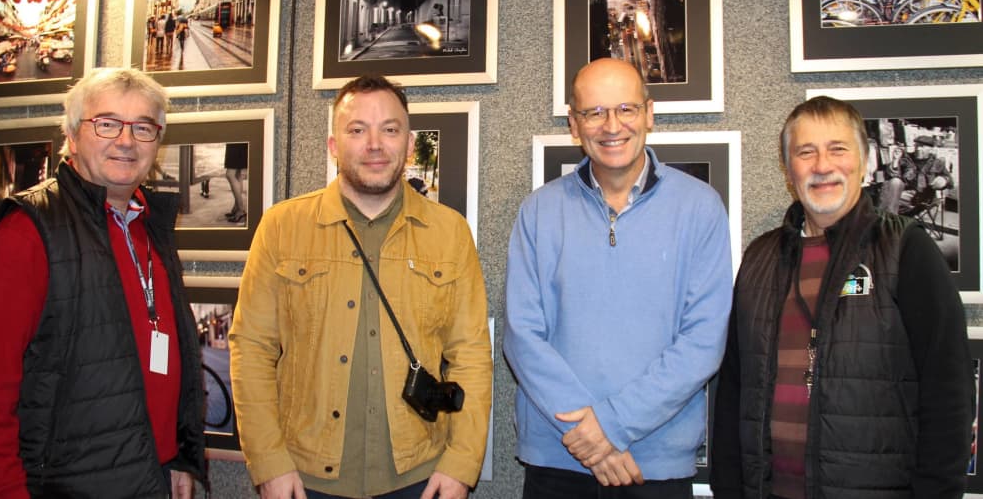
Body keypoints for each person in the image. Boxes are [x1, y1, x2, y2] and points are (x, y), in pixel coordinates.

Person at [229, 74, 492, 499]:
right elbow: (252, 349)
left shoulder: (450, 232)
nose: (374, 144)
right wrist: (268, 462)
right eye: (357, 130)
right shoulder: (281, 227)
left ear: (409, 144)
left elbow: (471, 356)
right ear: (334, 146)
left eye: (390, 129)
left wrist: (461, 465)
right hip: (304, 478)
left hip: (419, 477)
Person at [710, 96, 973, 499]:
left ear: (864, 162)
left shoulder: (906, 249)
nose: (822, 165)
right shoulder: (760, 257)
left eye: (837, 149)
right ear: (788, 169)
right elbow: (733, 389)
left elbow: (948, 390)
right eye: (806, 152)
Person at [0, 67, 205, 498]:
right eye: (107, 123)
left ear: (157, 142)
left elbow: (166, 355)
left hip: (149, 475)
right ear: (72, 136)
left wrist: (177, 456)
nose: (126, 141)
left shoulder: (148, 225)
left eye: (143, 127)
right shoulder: (28, 231)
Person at [503, 57, 733, 498]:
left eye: (626, 109)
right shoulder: (539, 211)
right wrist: (591, 438)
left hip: (655, 464)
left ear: (649, 113)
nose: (612, 125)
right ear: (574, 124)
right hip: (558, 457)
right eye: (594, 112)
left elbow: (703, 342)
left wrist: (611, 425)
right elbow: (522, 335)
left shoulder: (700, 207)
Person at [878, 134, 953, 215]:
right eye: (916, 145)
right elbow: (892, 175)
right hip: (903, 193)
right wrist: (895, 160)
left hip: (923, 197)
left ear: (931, 149)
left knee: (888, 198)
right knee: (894, 183)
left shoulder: (937, 163)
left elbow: (950, 182)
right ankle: (889, 218)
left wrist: (943, 180)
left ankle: (886, 218)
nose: (918, 148)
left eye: (922, 146)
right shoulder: (907, 158)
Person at [223, 142, 248, 224]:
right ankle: (237, 207)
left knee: (230, 174)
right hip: (241, 143)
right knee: (237, 175)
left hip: (237, 143)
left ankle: (241, 210)